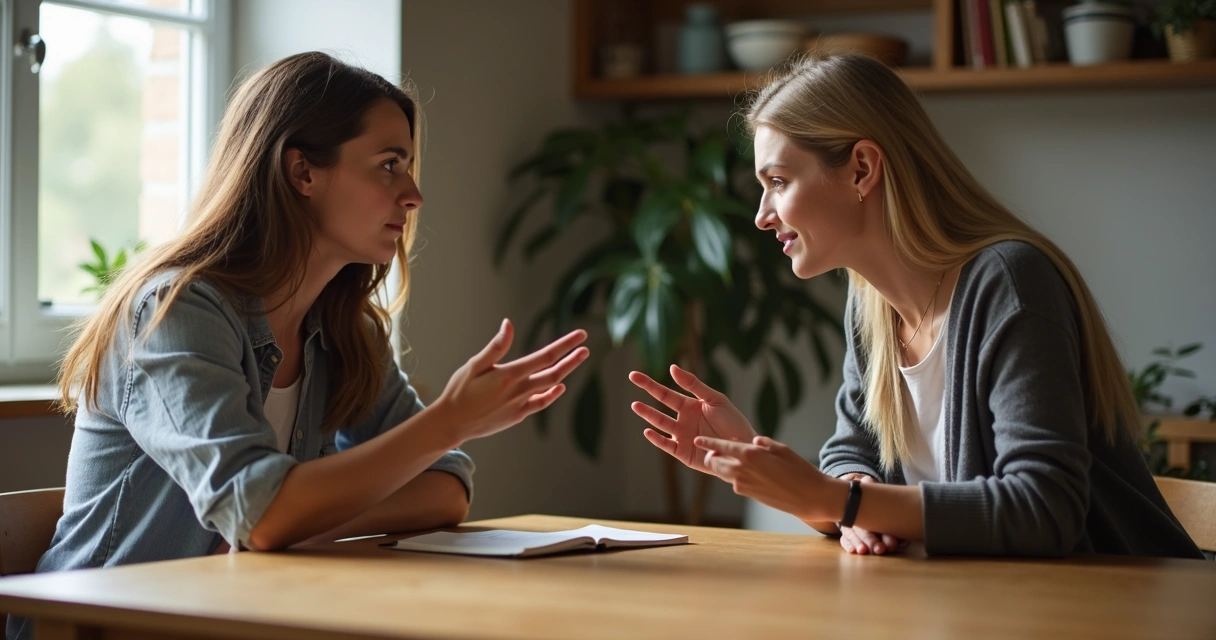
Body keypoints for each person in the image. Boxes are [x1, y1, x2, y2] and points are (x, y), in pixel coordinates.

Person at [9, 50, 591, 640]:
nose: (413, 194)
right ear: (302, 172)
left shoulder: (344, 329)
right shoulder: (176, 312)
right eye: (389, 165)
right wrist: (446, 421)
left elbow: (445, 487)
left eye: (409, 166)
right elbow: (259, 513)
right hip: (95, 630)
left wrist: (308, 523)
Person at [628, 54, 1202, 559]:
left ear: (861, 169)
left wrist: (845, 500)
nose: (761, 214)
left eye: (777, 180)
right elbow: (852, 456)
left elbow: (1044, 510)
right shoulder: (871, 303)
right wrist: (751, 459)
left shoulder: (1009, 282)